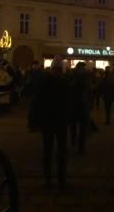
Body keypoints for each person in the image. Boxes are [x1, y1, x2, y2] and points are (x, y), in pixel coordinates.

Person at [28, 59, 70, 189]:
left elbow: (36, 102)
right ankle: (60, 179)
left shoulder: (44, 82)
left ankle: (48, 178)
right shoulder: (65, 83)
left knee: (48, 149)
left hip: (48, 120)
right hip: (61, 121)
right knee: (60, 150)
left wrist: (33, 121)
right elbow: (71, 103)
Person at [69, 61, 92, 154]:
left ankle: (78, 144)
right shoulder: (81, 78)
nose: (83, 70)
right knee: (78, 127)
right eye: (82, 68)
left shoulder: (74, 76)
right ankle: (78, 144)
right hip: (79, 105)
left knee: (78, 127)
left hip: (78, 106)